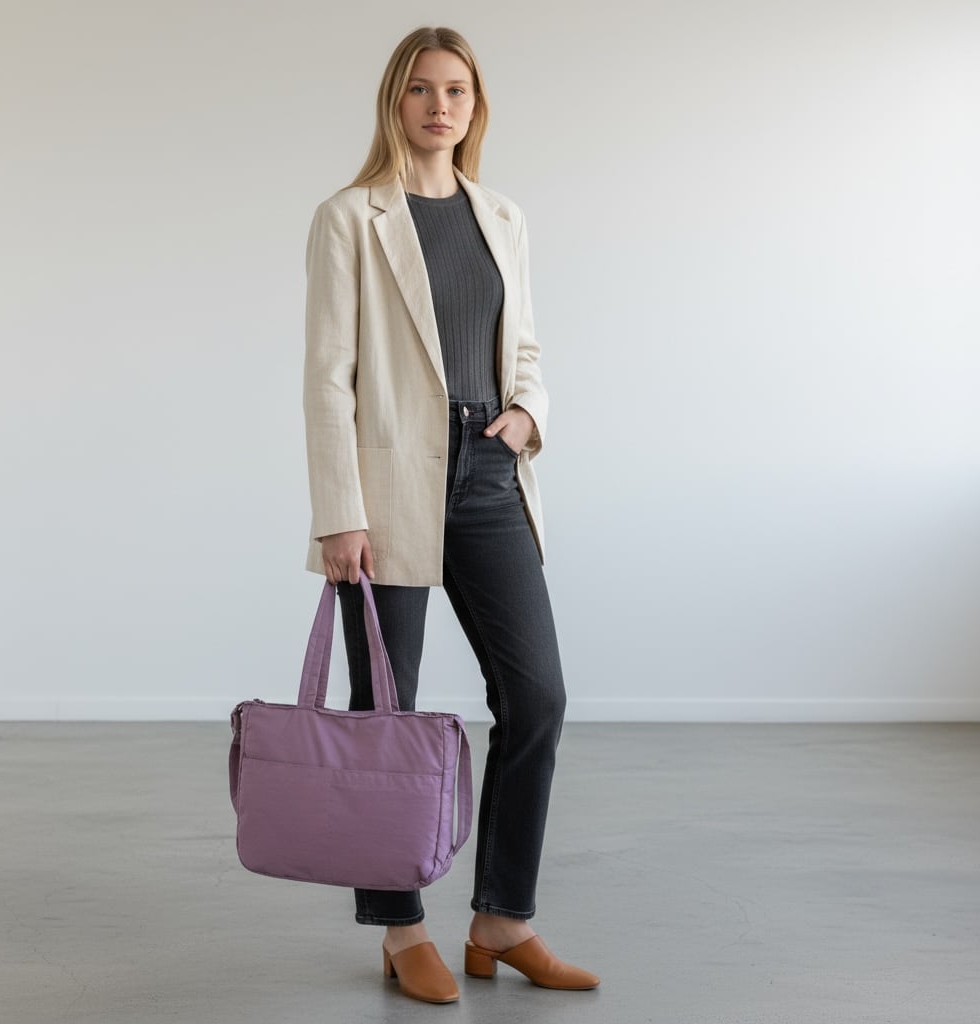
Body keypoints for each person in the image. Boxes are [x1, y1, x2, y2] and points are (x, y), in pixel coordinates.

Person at [302, 26, 599, 1004]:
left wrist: (528, 417)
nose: (440, 106)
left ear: (476, 106)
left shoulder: (502, 214)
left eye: (457, 91)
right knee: (385, 716)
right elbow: (328, 378)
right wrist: (339, 513)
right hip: (388, 485)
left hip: (489, 473)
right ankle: (400, 928)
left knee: (537, 696)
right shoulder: (350, 217)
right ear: (395, 100)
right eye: (422, 89)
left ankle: (503, 920)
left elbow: (526, 348)